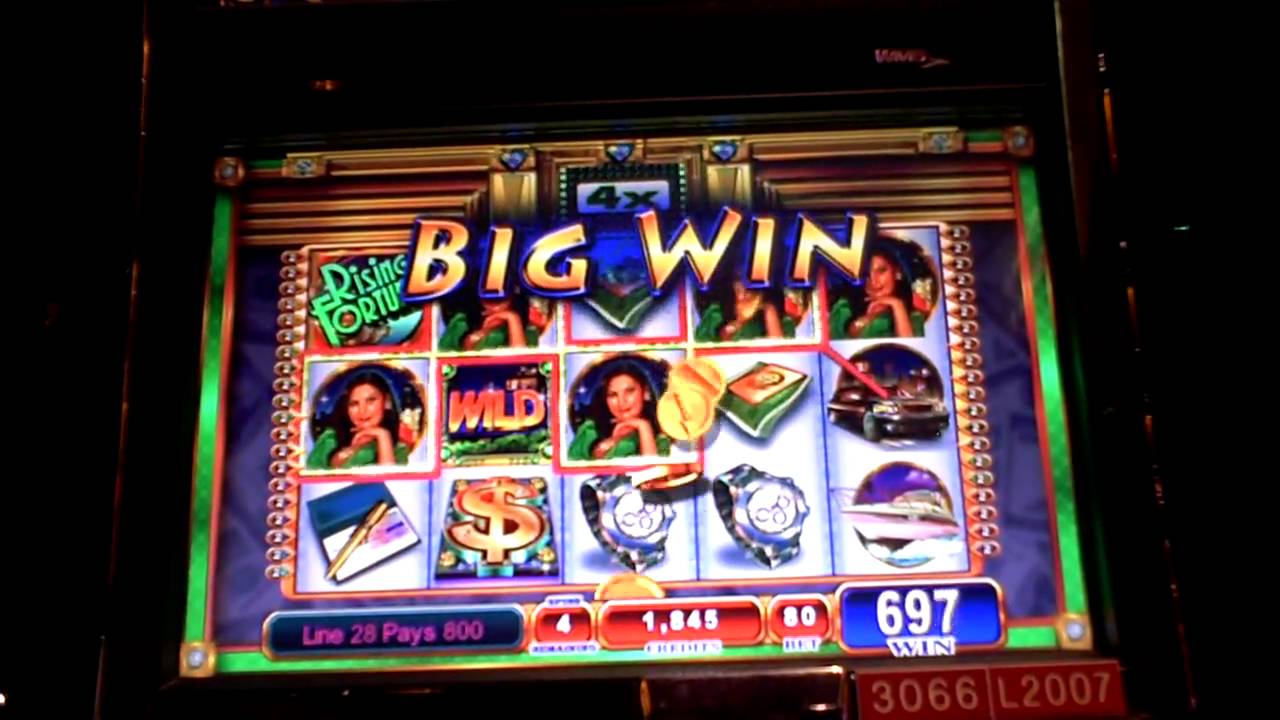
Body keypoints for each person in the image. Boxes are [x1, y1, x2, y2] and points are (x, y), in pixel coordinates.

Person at [568, 359, 671, 460]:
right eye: (613, 395)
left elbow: (652, 468)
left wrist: (643, 426)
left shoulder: (660, 440)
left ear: (645, 393)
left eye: (629, 391)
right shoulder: (590, 431)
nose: (621, 402)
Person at [307, 370, 411, 469]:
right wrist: (351, 450)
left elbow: (389, 479)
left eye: (370, 401)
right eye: (354, 404)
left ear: (387, 402)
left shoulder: (398, 449)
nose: (362, 411)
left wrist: (382, 435)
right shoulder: (330, 439)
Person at [830, 243, 928, 339]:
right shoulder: (844, 308)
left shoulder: (914, 318)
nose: (873, 280)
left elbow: (908, 346)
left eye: (881, 270)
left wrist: (897, 305)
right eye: (866, 273)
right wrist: (867, 317)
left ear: (897, 273)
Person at [438, 295, 549, 351]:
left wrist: (512, 318)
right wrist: (483, 331)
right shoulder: (461, 322)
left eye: (502, 297)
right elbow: (445, 356)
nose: (494, 300)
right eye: (488, 295)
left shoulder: (527, 328)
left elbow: (521, 359)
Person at [695, 281, 793, 342]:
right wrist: (740, 321)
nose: (741, 295)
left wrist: (769, 309)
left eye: (748, 290)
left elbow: (779, 353)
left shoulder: (784, 321)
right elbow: (703, 351)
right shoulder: (715, 313)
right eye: (738, 286)